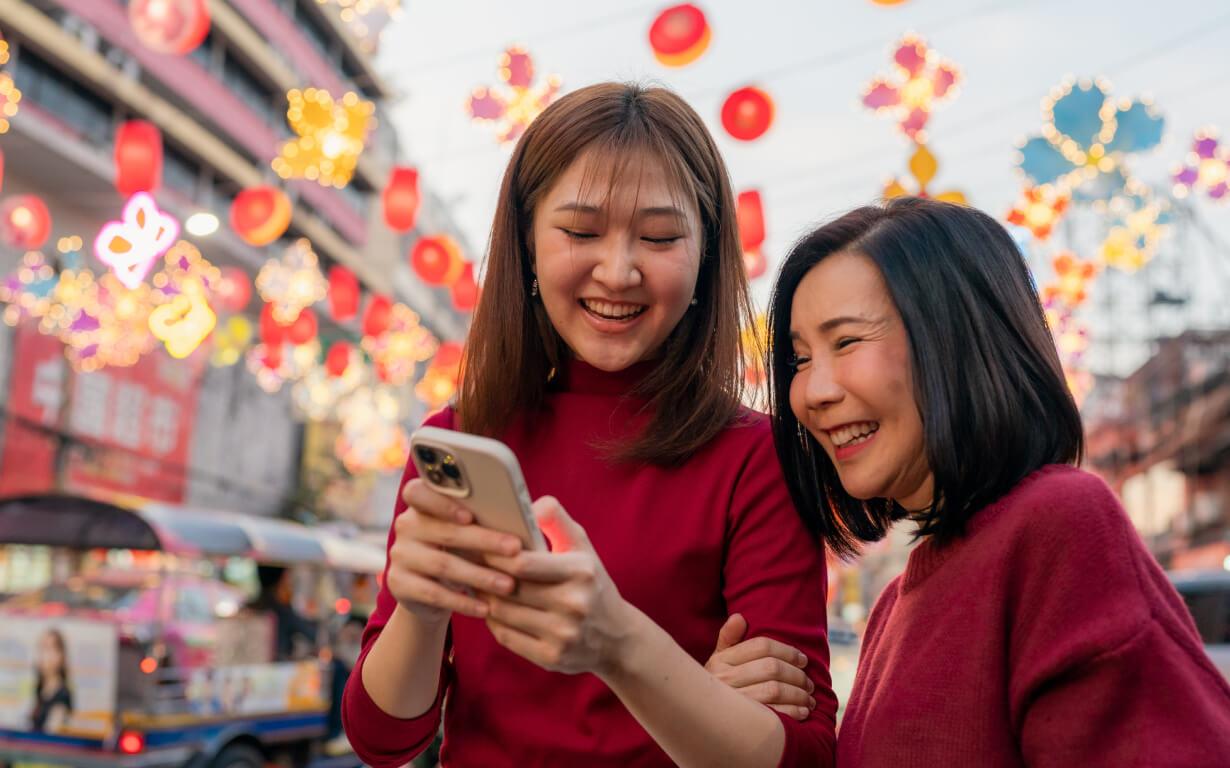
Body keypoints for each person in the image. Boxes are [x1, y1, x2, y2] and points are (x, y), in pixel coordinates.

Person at [343, 82, 837, 767]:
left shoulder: (758, 457)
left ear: (706, 255)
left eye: (661, 237)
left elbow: (805, 754)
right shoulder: (464, 436)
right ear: (527, 244)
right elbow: (383, 739)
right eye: (579, 231)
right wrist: (420, 610)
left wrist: (621, 646)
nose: (619, 270)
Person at [769, 197, 1230, 767]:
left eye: (846, 342)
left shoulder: (1058, 525)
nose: (813, 392)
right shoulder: (893, 606)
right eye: (800, 358)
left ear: (954, 340)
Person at [248, 564, 316, 661]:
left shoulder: (251, 607)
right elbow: (314, 634)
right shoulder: (281, 611)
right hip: (276, 671)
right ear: (283, 578)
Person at [29, 628, 72, 733]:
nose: (43, 655)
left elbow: (52, 732)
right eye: (40, 648)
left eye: (48, 648)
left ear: (61, 656)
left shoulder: (62, 696)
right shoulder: (40, 688)